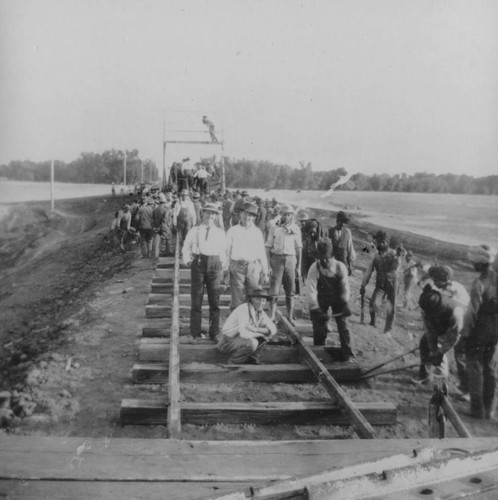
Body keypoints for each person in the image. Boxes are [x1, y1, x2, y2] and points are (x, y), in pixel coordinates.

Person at [182, 203, 227, 340]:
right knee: (196, 299)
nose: (210, 216)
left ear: (215, 216)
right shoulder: (195, 230)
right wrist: (188, 260)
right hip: (199, 263)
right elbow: (186, 247)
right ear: (202, 214)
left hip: (215, 265)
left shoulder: (219, 232)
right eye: (207, 213)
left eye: (213, 214)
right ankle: (195, 332)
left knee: (215, 300)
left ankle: (214, 332)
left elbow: (224, 251)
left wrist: (223, 267)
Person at [463, 244, 498, 419]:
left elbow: (472, 313)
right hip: (495, 328)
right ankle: (489, 409)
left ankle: (477, 410)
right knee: (490, 369)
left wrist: (465, 334)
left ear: (479, 264)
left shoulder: (479, 283)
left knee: (475, 368)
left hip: (480, 330)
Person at [305, 239, 354, 359]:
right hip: (321, 299)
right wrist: (316, 310)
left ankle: (348, 355)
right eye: (321, 258)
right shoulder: (314, 268)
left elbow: (345, 288)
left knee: (344, 325)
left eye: (327, 258)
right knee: (319, 326)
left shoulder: (340, 267)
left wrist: (345, 303)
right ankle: (319, 353)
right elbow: (311, 291)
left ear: (332, 256)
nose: (324, 261)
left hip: (338, 299)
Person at [417, 284, 465, 385]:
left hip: (465, 328)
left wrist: (439, 352)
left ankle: (467, 389)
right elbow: (430, 330)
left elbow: (454, 336)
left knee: (461, 356)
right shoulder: (426, 305)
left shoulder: (455, 312)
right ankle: (426, 375)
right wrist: (433, 348)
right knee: (425, 343)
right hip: (444, 324)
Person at [226, 202, 269, 309]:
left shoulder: (257, 232)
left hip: (253, 267)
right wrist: (226, 270)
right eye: (245, 214)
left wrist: (265, 271)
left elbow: (261, 253)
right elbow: (227, 251)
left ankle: (252, 323)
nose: (247, 217)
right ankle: (238, 324)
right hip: (237, 267)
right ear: (240, 214)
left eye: (250, 215)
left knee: (255, 296)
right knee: (237, 299)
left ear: (254, 218)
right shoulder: (232, 230)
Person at [217, 288, 276, 364]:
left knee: (263, 338)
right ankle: (233, 362)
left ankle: (252, 359)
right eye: (258, 300)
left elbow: (273, 329)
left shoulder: (259, 312)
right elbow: (244, 334)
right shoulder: (243, 310)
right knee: (253, 342)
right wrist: (263, 333)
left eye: (263, 300)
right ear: (251, 299)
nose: (261, 303)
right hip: (227, 342)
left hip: (239, 339)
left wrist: (256, 329)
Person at [265, 204, 302, 324]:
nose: (288, 217)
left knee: (290, 291)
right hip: (277, 259)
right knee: (274, 290)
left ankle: (290, 316)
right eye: (285, 214)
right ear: (281, 214)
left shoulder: (296, 229)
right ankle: (272, 316)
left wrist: (299, 266)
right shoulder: (273, 228)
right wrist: (269, 265)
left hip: (291, 260)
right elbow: (268, 247)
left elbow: (299, 248)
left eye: (290, 214)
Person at [360, 231, 401, 333]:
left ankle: (388, 328)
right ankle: (373, 322)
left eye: (383, 242)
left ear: (387, 242)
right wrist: (363, 284)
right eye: (378, 242)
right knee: (373, 303)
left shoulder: (394, 254)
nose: (380, 244)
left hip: (392, 284)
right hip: (380, 284)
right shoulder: (375, 256)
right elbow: (369, 271)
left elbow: (397, 267)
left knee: (391, 307)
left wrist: (398, 257)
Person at [328, 211, 356, 275]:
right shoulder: (330, 231)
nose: (343, 224)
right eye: (341, 222)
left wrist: (350, 265)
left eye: (345, 223)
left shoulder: (347, 232)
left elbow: (350, 248)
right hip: (332, 263)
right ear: (337, 221)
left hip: (344, 262)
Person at [152, 193, 173, 259]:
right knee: (168, 238)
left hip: (156, 227)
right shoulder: (166, 210)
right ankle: (167, 252)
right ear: (164, 202)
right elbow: (165, 220)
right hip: (164, 227)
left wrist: (155, 227)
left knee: (157, 242)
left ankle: (156, 255)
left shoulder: (155, 210)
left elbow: (152, 219)